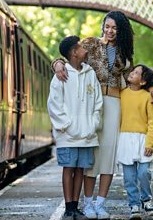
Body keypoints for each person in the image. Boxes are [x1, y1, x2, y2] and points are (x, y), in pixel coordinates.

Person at [52, 11, 153, 219]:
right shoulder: (90, 44)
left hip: (115, 104)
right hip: (91, 103)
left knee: (109, 155)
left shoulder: (125, 53)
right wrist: (56, 64)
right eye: (107, 26)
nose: (110, 31)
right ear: (103, 26)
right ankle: (88, 203)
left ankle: (101, 204)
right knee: (92, 155)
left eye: (114, 28)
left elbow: (138, 76)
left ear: (121, 31)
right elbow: (67, 52)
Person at [47, 35, 103, 220]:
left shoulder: (90, 73)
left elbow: (97, 101)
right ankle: (67, 209)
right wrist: (67, 126)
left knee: (80, 169)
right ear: (73, 53)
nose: (85, 49)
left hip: (87, 134)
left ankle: (75, 207)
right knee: (68, 168)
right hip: (67, 134)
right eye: (81, 47)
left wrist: (93, 123)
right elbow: (54, 104)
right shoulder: (61, 75)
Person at [115, 64, 153, 219]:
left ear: (142, 81)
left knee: (143, 172)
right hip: (125, 138)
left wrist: (150, 143)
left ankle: (146, 200)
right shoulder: (121, 94)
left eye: (136, 73)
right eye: (132, 71)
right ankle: (134, 204)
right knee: (129, 177)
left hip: (143, 139)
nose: (132, 73)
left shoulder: (148, 97)